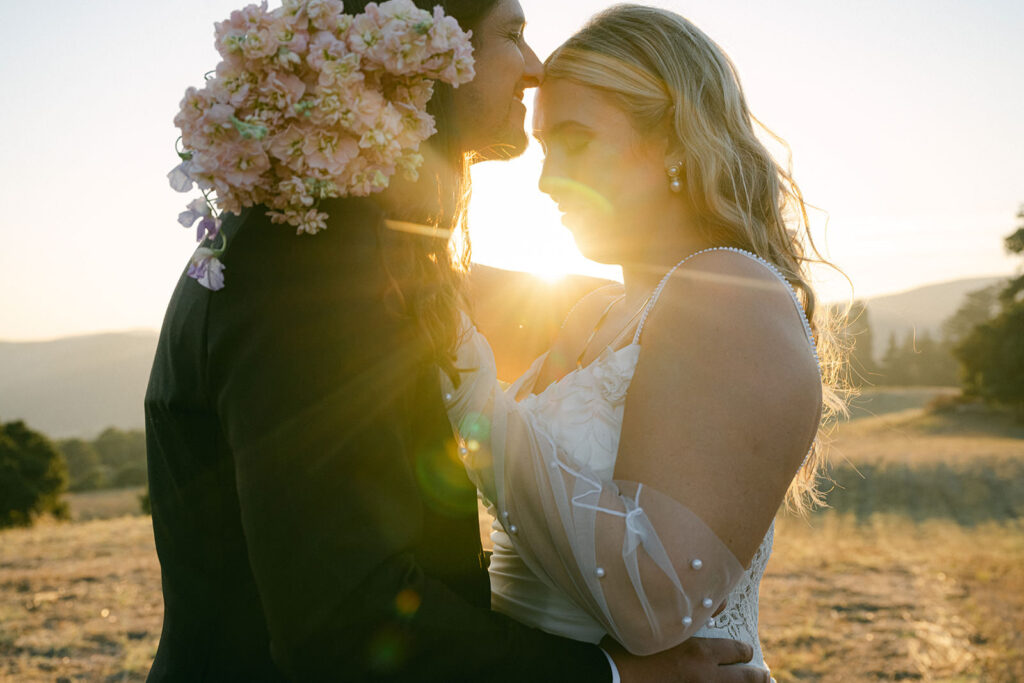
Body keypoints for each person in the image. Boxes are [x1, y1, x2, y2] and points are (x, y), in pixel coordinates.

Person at [145, 0, 765, 680]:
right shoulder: (317, 267)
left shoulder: (351, 248)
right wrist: (615, 677)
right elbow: (346, 620)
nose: (534, 67)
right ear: (424, 49)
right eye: (512, 33)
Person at [444, 4, 847, 679]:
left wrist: (469, 390)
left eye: (576, 141)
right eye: (545, 149)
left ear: (675, 142)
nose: (546, 180)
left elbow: (652, 601)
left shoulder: (729, 295)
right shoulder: (593, 312)